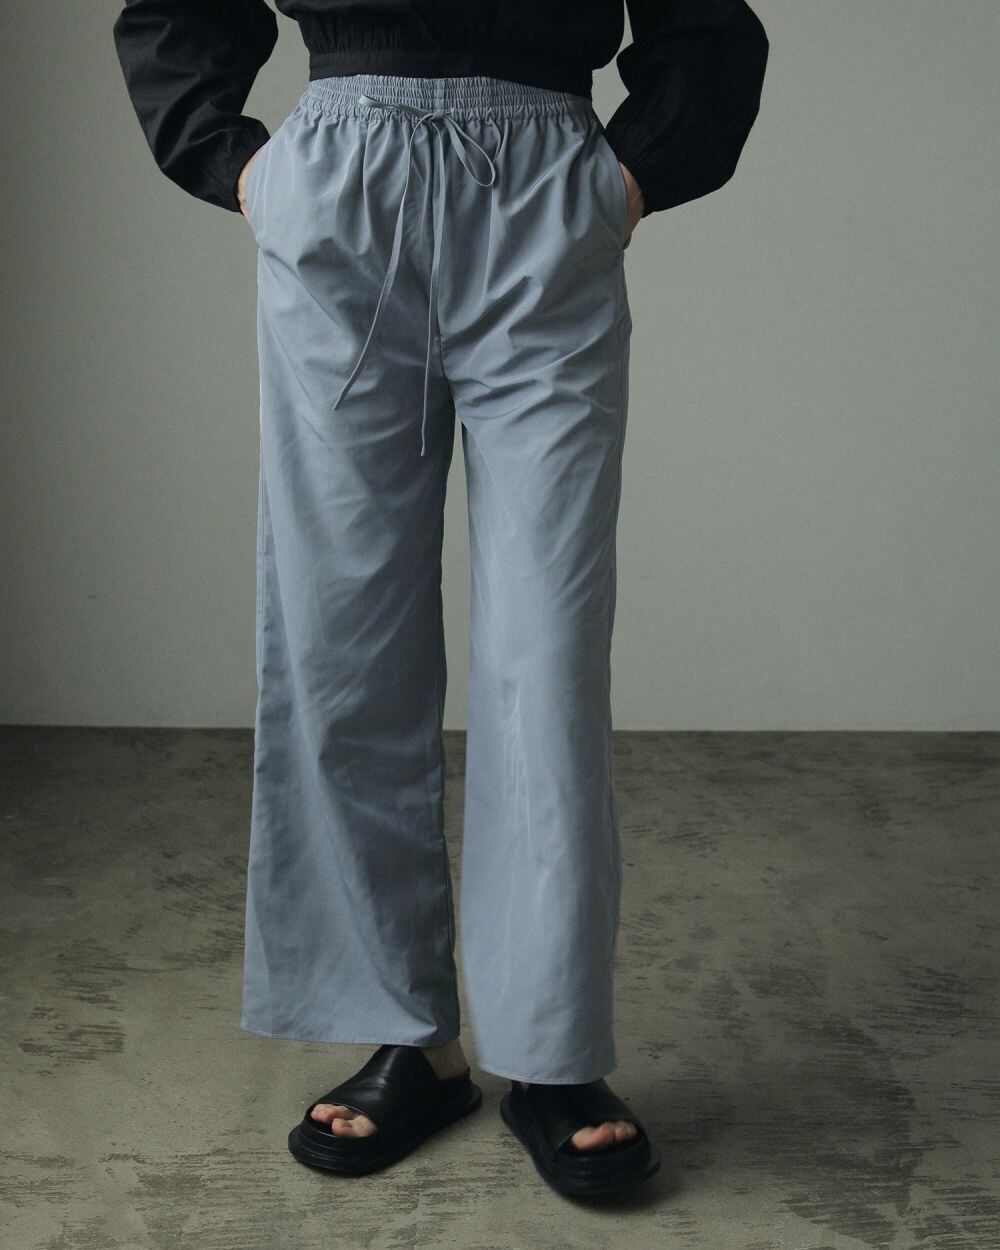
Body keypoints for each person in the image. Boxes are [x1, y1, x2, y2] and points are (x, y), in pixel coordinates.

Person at [112, 0, 769, 1198]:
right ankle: (406, 1034)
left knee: (546, 654)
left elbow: (704, 20)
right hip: (343, 179)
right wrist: (242, 166)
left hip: (542, 182)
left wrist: (625, 178)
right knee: (339, 640)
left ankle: (552, 1053)